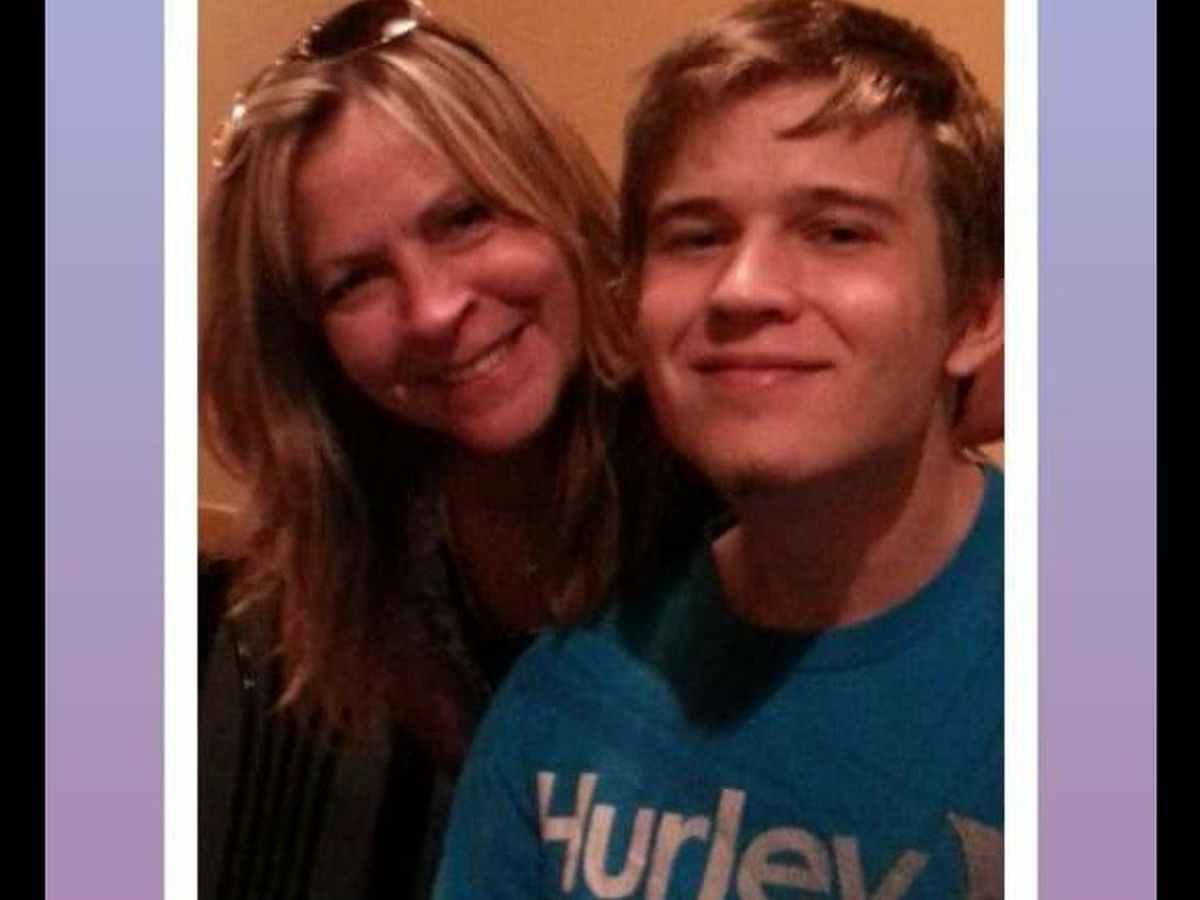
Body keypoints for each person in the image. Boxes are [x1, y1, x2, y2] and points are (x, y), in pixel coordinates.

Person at [435, 1, 1005, 896]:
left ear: (975, 314)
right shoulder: (564, 698)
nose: (742, 288)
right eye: (696, 238)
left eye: (838, 231)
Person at [198, 1, 695, 895]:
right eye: (354, 280)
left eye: (464, 219)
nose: (431, 310)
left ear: (552, 202)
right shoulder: (336, 577)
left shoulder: (725, 484)